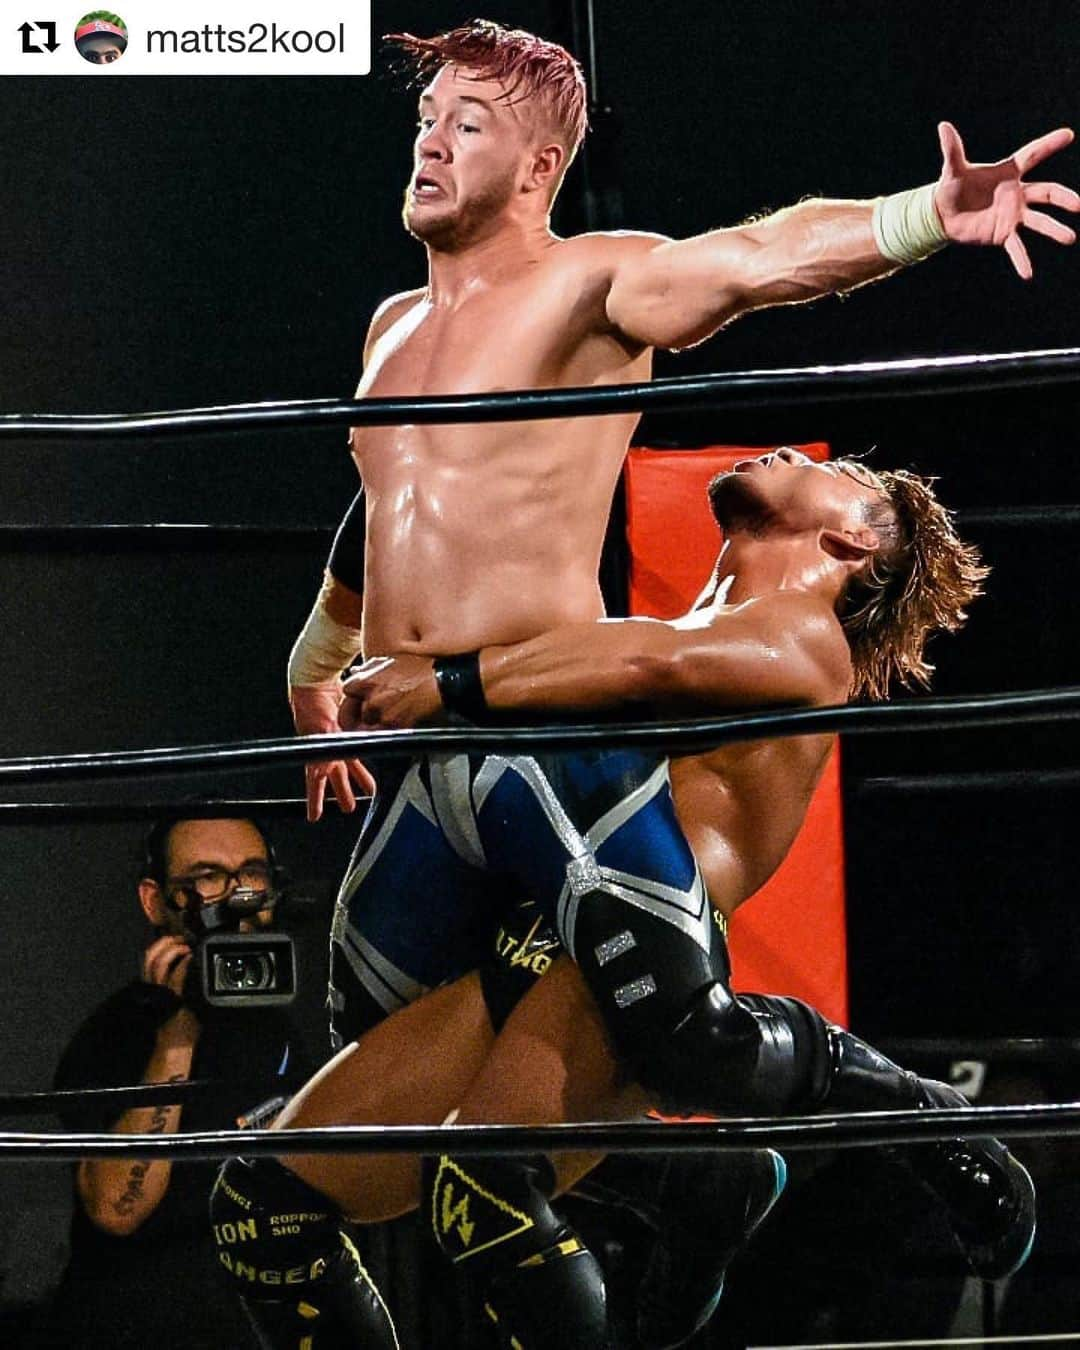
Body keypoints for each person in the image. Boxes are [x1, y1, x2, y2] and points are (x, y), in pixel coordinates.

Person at [213, 452, 1032, 1348]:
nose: (791, 454)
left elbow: (655, 663)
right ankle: (679, 1176)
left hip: (620, 970)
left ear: (847, 541)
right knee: (263, 1204)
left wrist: (444, 682)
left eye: (834, 474)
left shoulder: (802, 634)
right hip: (534, 939)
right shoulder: (656, 634)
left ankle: (906, 1110)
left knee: (482, 1194)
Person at [42, 812, 375, 1349]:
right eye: (207, 877)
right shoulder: (119, 1029)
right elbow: (115, 1210)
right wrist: (177, 1036)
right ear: (155, 901)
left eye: (252, 872)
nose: (237, 895)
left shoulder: (289, 1022)